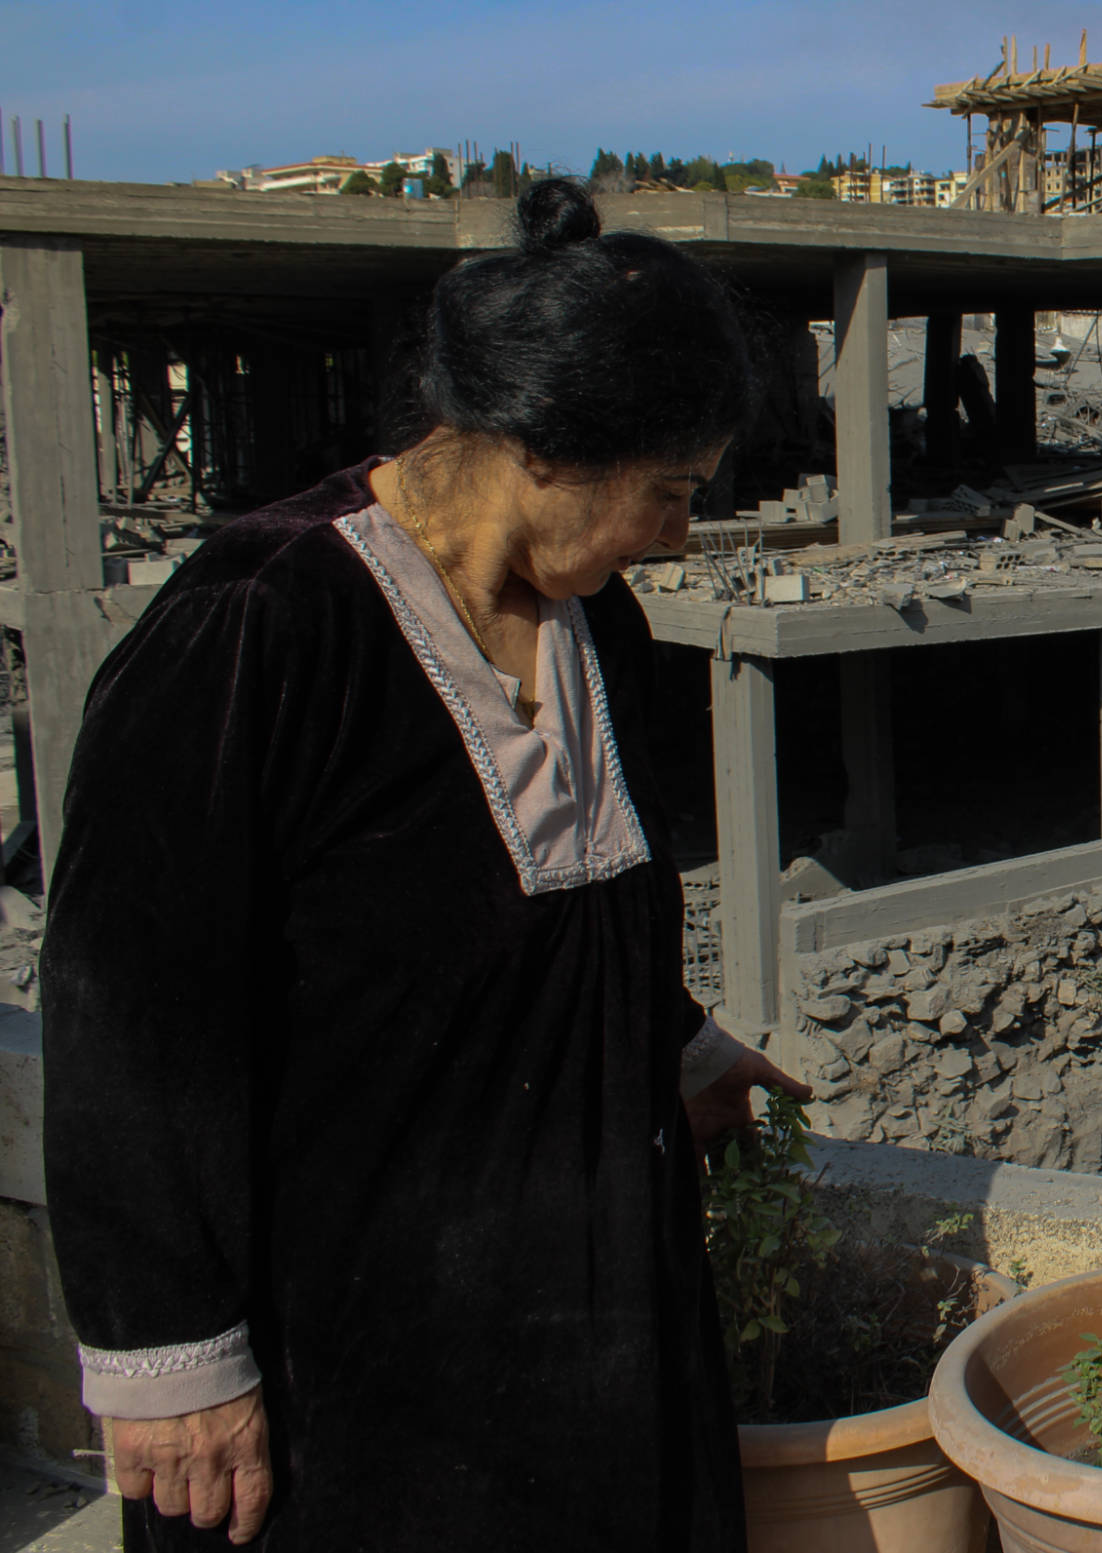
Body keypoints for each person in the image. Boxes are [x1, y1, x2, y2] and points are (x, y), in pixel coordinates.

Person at [41, 179, 805, 1550]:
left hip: (586, 1351)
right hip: (362, 1372)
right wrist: (168, 1356)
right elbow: (125, 1008)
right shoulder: (259, 627)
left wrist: (676, 1044)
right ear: (552, 448)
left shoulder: (595, 627)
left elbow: (542, 923)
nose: (681, 535)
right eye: (672, 492)